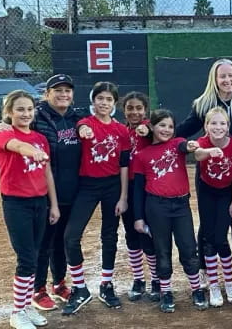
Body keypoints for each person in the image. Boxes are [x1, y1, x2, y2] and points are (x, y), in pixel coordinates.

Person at [0, 74, 86, 311]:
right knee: (41, 246)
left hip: (67, 192)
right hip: (33, 195)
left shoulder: (78, 117)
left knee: (61, 242)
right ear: (47, 94)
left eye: (67, 90)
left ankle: (59, 284)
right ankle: (38, 289)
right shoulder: (38, 118)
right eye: (57, 90)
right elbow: (13, 137)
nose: (63, 94)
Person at [176, 58, 232, 290]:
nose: (227, 80)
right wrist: (159, 135)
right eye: (223, 76)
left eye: (231, 75)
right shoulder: (203, 103)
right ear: (214, 79)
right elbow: (184, 130)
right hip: (209, 175)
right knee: (208, 223)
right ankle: (203, 268)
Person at [62, 82, 131, 315]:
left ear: (114, 103)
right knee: (71, 235)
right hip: (88, 185)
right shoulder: (85, 122)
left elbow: (124, 164)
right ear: (93, 101)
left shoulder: (121, 130)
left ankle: (106, 283)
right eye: (100, 98)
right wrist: (83, 130)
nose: (104, 103)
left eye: (109, 99)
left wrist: (123, 196)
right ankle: (79, 287)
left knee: (109, 235)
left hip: (112, 185)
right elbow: (81, 126)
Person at [133, 109, 208, 313]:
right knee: (162, 251)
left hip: (181, 205)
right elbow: (138, 189)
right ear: (152, 127)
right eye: (161, 125)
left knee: (188, 248)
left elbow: (185, 145)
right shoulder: (142, 155)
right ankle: (166, 292)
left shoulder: (177, 144)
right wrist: (138, 218)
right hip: (156, 207)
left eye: (170, 126)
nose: (166, 129)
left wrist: (191, 145)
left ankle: (196, 289)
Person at [0, 90, 59, 329]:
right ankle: (17, 311)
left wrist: (53, 205)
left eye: (30, 109)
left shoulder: (40, 137)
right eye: (20, 109)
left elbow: (47, 173)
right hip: (16, 204)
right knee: (26, 258)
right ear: (9, 112)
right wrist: (32, 151)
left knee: (35, 256)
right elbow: (16, 146)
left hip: (39, 203)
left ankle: (26, 305)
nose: (25, 113)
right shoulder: (4, 133)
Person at [193, 107, 232, 307]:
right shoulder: (203, 142)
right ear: (206, 126)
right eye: (213, 123)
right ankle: (214, 284)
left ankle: (229, 282)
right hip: (206, 191)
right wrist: (208, 151)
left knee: (220, 237)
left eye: (222, 123)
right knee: (208, 237)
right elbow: (196, 154)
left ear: (228, 126)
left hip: (226, 193)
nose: (218, 127)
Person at [121, 91, 160, 302]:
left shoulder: (150, 128)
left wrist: (148, 128)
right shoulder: (121, 131)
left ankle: (155, 279)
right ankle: (138, 278)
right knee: (131, 233)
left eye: (138, 108)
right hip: (127, 186)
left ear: (145, 110)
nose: (134, 112)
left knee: (148, 232)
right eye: (130, 108)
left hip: (146, 186)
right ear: (124, 110)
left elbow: (162, 132)